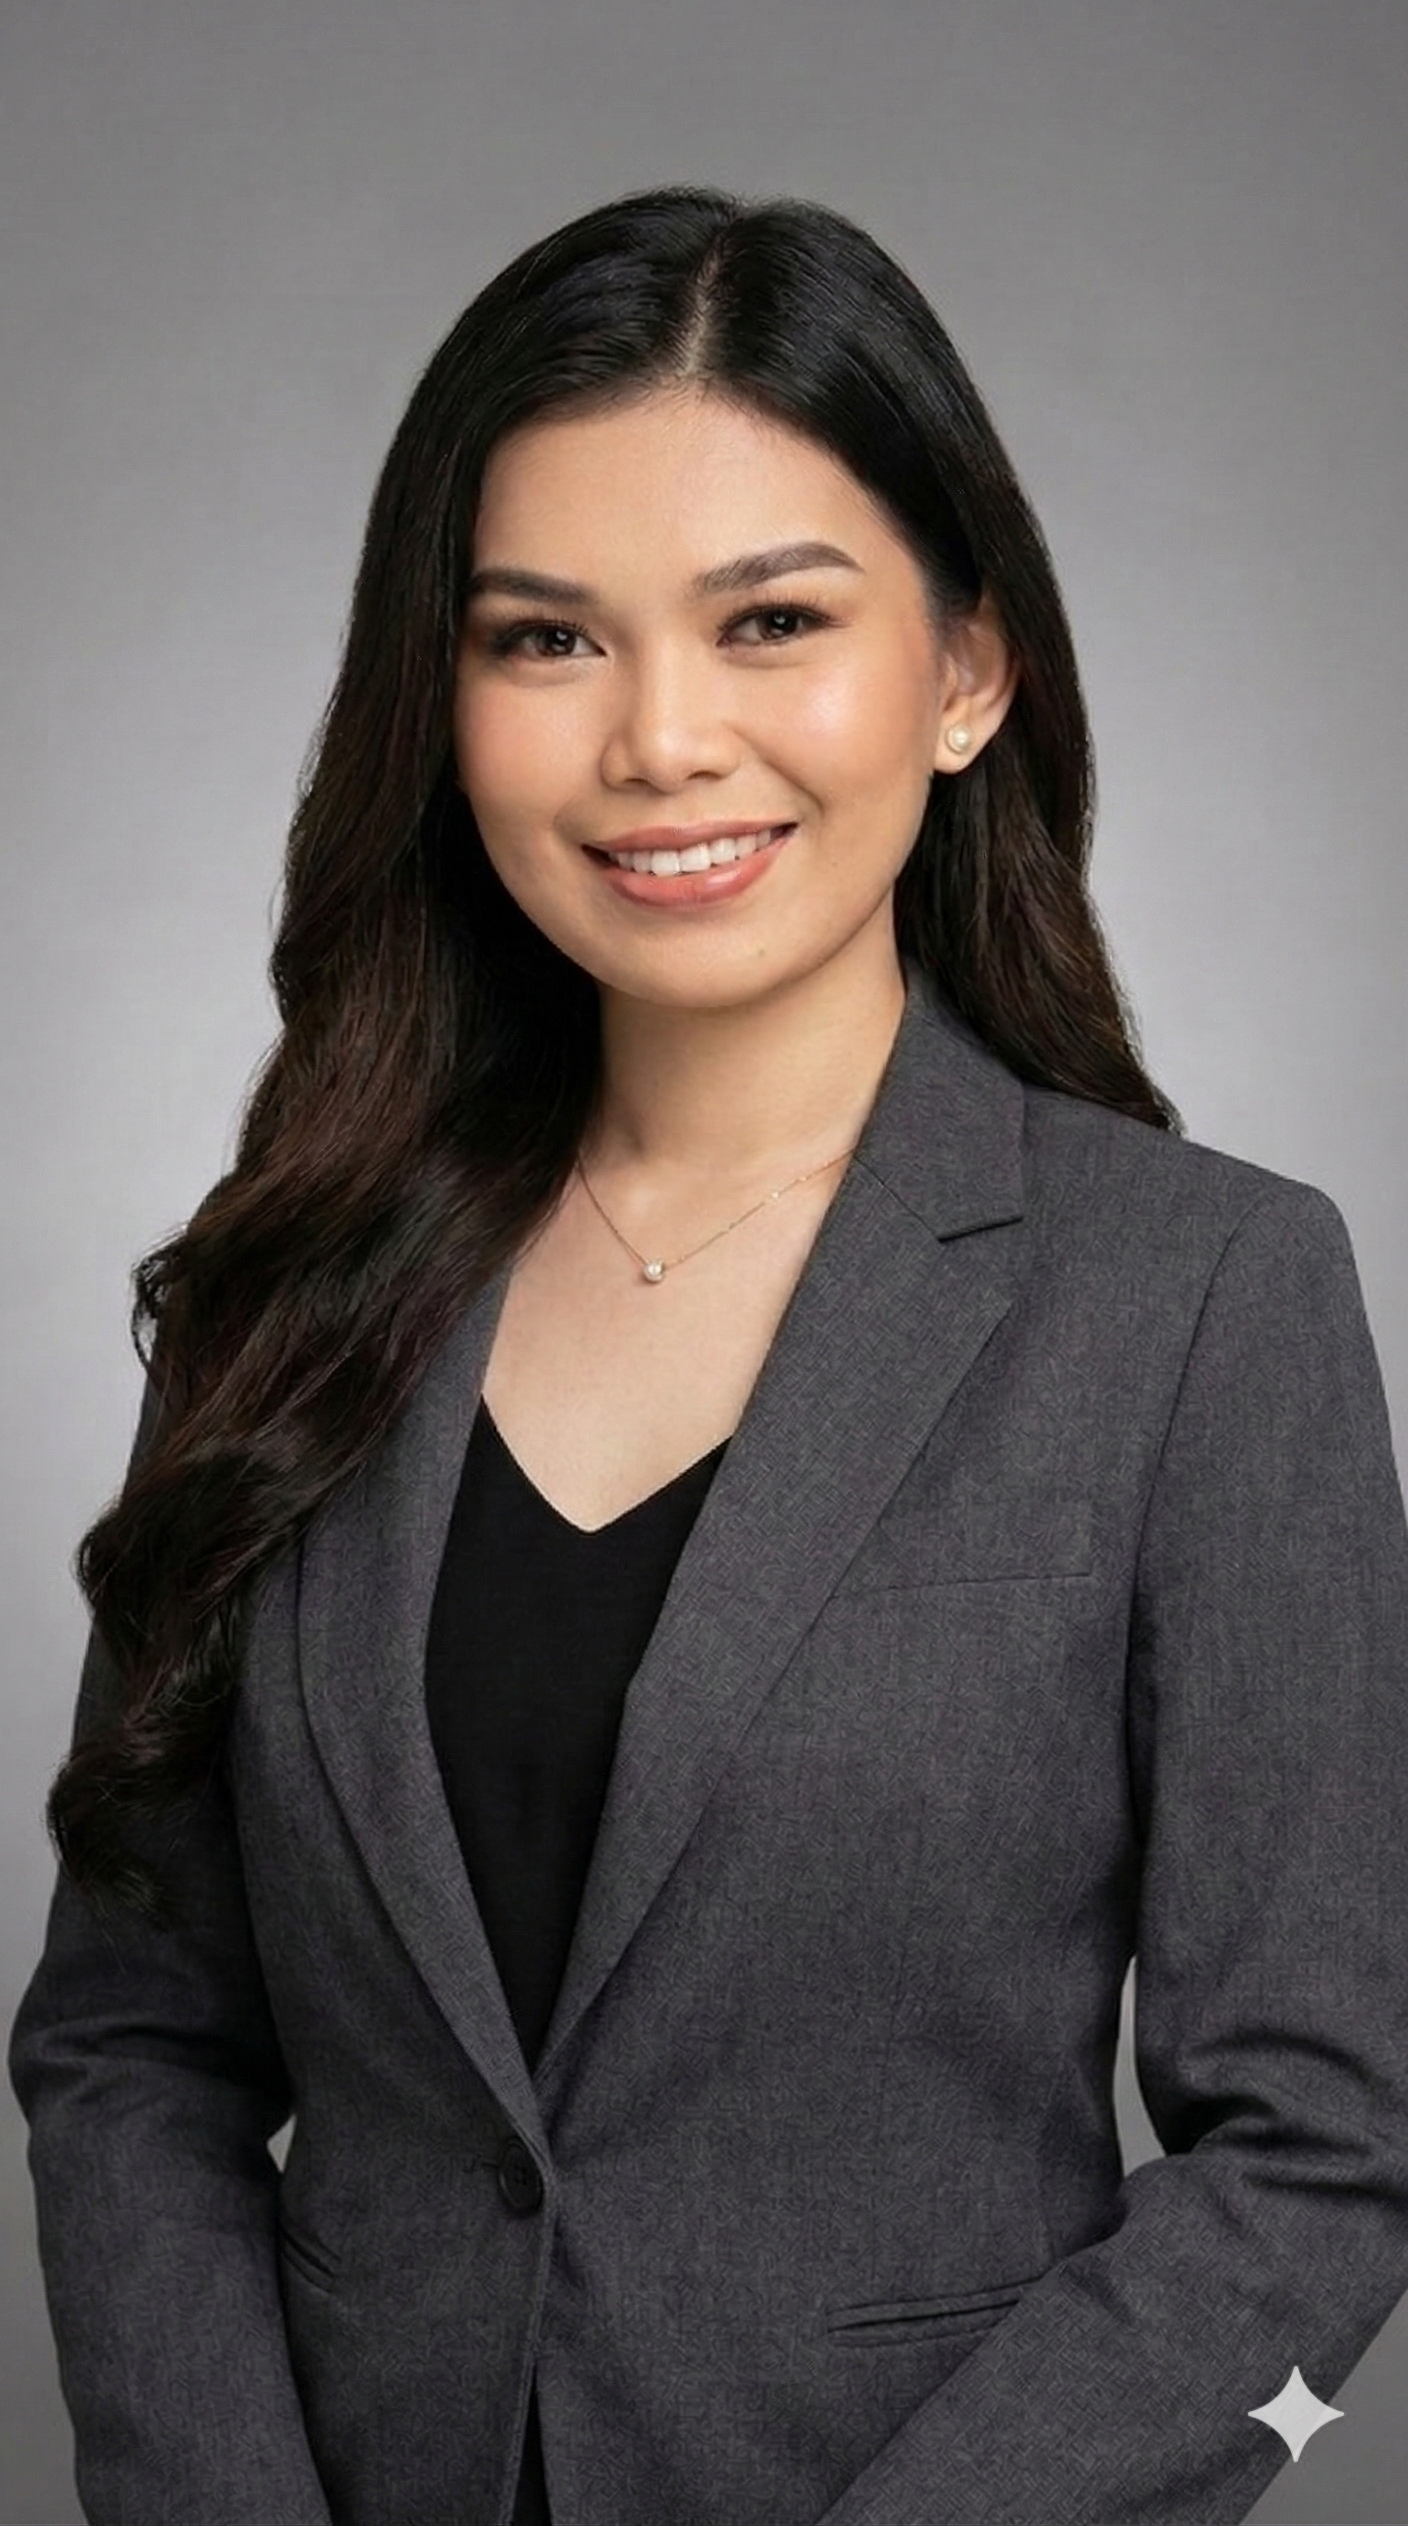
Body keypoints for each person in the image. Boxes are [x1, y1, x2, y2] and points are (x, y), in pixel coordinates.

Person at [10, 181, 1408, 2526]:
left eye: (770, 620)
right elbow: (132, 2052)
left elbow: (1332, 2142)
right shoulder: (291, 1292)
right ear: (440, 702)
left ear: (965, 675)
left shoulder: (1198, 1305)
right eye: (544, 640)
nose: (660, 739)